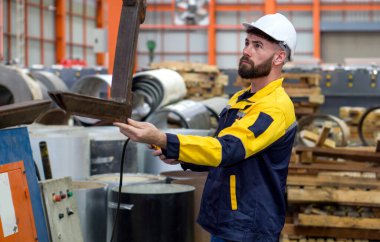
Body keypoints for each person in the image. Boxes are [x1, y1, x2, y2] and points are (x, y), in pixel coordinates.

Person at [114, 12, 297, 242]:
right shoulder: (241, 99)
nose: (246, 51)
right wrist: (179, 154)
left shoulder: (275, 107)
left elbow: (226, 150)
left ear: (279, 58)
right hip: (226, 219)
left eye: (258, 46)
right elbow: (216, 150)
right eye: (247, 43)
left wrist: (164, 138)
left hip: (249, 227)